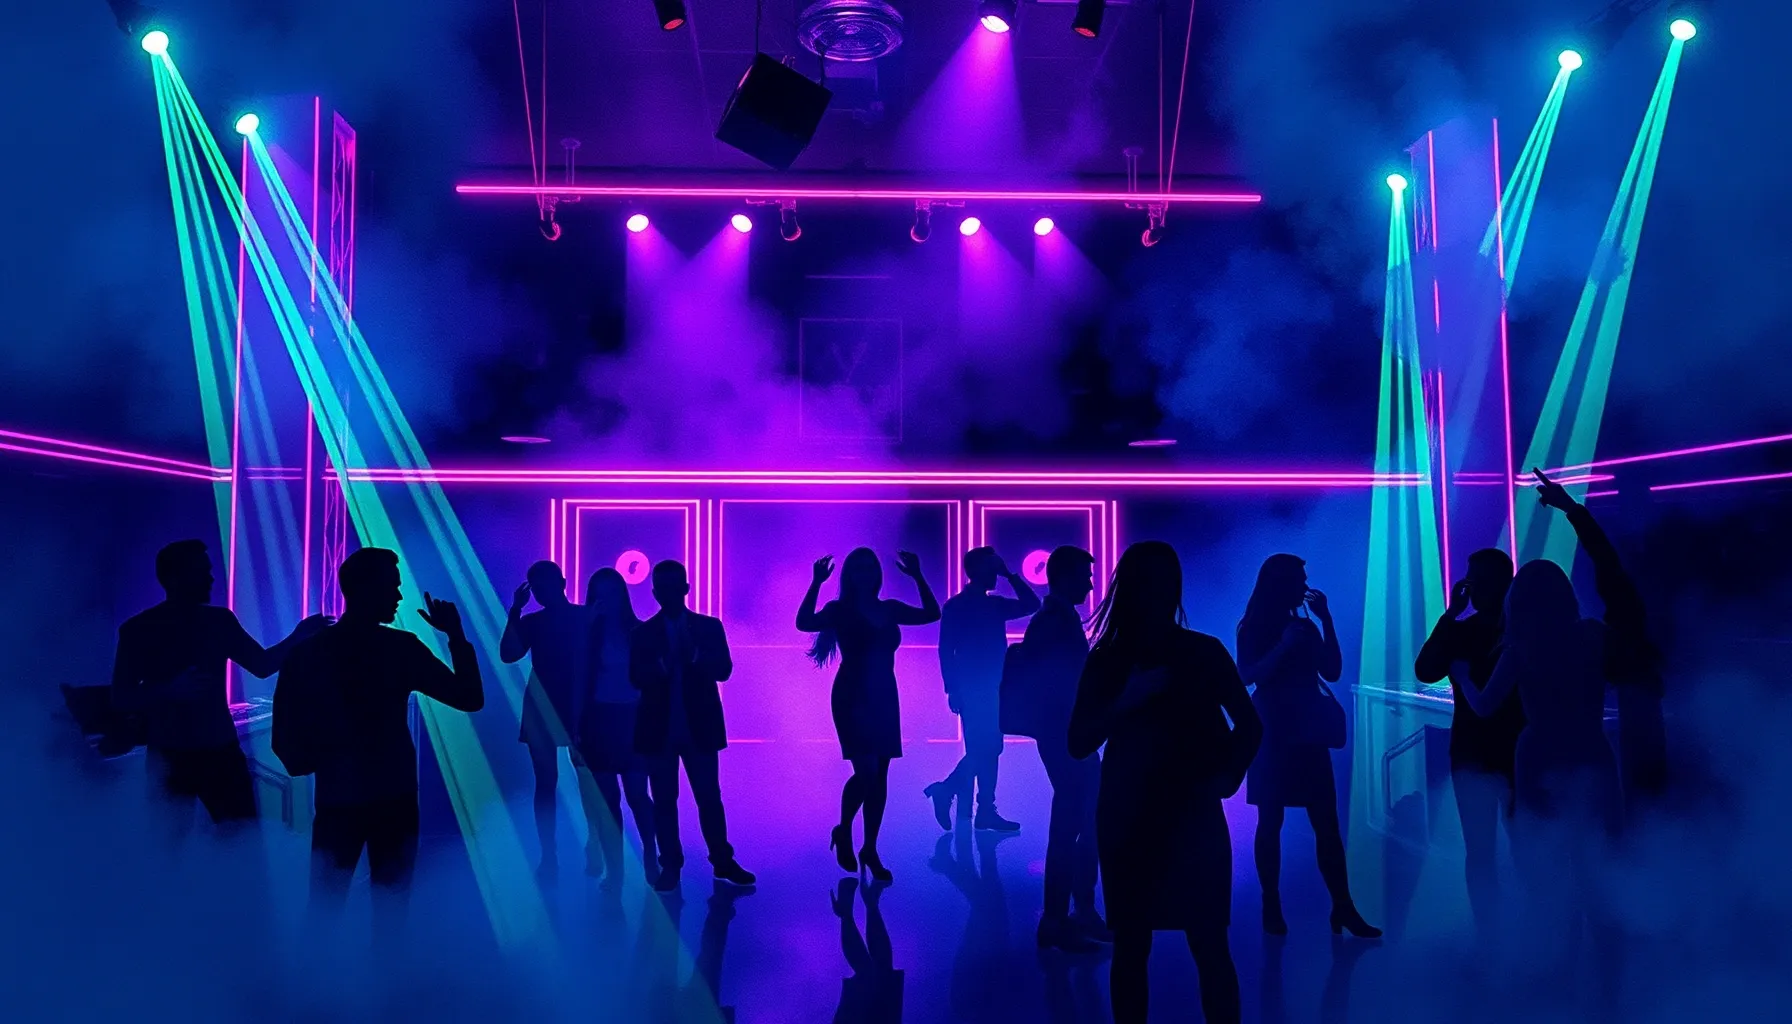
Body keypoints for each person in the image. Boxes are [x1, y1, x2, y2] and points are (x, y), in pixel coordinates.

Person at [1458, 470, 1663, 993]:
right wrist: (1574, 512)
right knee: (1599, 865)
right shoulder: (1592, 637)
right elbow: (1615, 582)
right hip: (1591, 753)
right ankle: (1610, 983)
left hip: (1539, 757)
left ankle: (1559, 978)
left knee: (1548, 871)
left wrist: (1461, 674)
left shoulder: (1519, 649)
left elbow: (1484, 707)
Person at [1068, 540, 1261, 1024]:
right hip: (1179, 813)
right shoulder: (1200, 651)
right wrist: (1226, 777)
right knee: (1205, 944)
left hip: (1135, 815)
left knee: (1138, 947)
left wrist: (1123, 702)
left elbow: (1079, 742)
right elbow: (1250, 726)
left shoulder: (1111, 657)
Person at [271, 547, 485, 943]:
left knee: (325, 905)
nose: (399, 595)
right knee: (391, 905)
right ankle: (384, 979)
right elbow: (469, 697)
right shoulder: (399, 647)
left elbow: (284, 730)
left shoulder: (308, 652)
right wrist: (455, 636)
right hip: (393, 795)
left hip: (339, 797)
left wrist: (313, 761)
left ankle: (310, 979)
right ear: (366, 589)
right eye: (392, 586)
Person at [111, 539, 330, 829]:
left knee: (193, 843)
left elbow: (262, 665)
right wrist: (169, 690)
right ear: (175, 578)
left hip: (205, 753)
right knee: (225, 841)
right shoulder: (143, 629)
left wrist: (299, 636)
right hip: (183, 755)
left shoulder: (213, 622)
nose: (211, 578)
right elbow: (120, 697)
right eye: (202, 571)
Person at [1238, 554, 1379, 938]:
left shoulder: (1301, 625)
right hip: (1274, 731)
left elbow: (1331, 670)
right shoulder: (1254, 627)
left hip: (1301, 729)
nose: (1304, 585)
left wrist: (1326, 620)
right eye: (1298, 579)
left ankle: (1341, 906)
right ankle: (1274, 903)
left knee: (1324, 822)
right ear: (1281, 584)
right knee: (1272, 820)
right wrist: (1285, 647)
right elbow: (1246, 675)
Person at [799, 548, 942, 883]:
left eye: (869, 568)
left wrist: (918, 575)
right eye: (858, 568)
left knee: (879, 776)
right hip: (851, 696)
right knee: (868, 773)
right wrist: (816, 583)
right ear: (849, 575)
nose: (864, 573)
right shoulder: (839, 610)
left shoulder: (889, 608)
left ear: (877, 574)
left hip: (884, 696)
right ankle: (845, 829)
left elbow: (931, 613)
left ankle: (870, 848)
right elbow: (803, 622)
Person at [1415, 546, 1525, 937]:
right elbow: (1425, 669)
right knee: (1513, 845)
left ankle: (1493, 936)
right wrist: (1451, 617)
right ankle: (1513, 935)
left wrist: (1451, 616)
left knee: (1486, 851)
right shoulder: (1518, 632)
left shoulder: (1472, 633)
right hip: (1505, 750)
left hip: (1482, 751)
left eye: (1475, 581)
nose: (1470, 587)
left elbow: (1426, 669)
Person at [631, 559, 755, 892]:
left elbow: (724, 670)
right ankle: (674, 865)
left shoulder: (708, 627)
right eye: (663, 588)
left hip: (694, 727)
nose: (669, 593)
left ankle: (717, 861)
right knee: (667, 800)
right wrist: (665, 664)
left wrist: (695, 656)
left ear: (685, 588)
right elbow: (636, 677)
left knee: (707, 797)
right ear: (656, 592)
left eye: (674, 587)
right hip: (661, 729)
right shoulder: (643, 633)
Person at [1013, 545, 1109, 952]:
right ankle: (1062, 918)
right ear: (1065, 577)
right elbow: (1057, 684)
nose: (1090, 583)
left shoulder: (1053, 617)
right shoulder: (1055, 620)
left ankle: (1071, 916)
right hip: (1067, 735)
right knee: (1076, 825)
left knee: (1079, 823)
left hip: (1066, 734)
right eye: (1085, 575)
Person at [926, 546, 1040, 833]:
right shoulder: (968, 606)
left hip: (986, 686)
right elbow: (945, 649)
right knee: (987, 748)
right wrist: (952, 688)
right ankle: (969, 801)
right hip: (980, 686)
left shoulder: (970, 605)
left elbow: (1032, 604)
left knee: (986, 748)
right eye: (992, 568)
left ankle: (971, 802)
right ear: (978, 570)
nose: (995, 575)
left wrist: (953, 688)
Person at [500, 559, 591, 879]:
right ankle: (570, 850)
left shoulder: (541, 621)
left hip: (553, 705)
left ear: (561, 584)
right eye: (538, 588)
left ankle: (555, 855)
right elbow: (508, 654)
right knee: (575, 781)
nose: (540, 593)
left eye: (542, 587)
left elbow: (508, 654)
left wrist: (516, 610)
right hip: (564, 705)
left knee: (554, 783)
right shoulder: (579, 616)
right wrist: (515, 612)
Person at [577, 567, 657, 887]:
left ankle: (650, 855)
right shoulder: (588, 635)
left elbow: (652, 680)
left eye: (612, 594)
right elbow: (578, 679)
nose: (606, 601)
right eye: (600, 595)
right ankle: (616, 871)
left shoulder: (639, 631)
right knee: (608, 800)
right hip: (599, 720)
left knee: (637, 795)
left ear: (622, 596)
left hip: (634, 718)